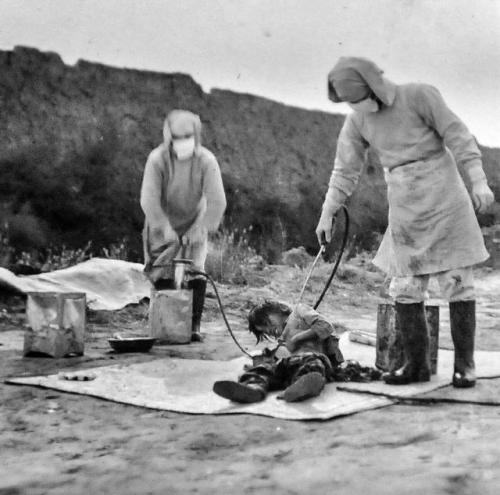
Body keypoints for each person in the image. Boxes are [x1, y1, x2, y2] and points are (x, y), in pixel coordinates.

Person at [316, 57, 494, 387]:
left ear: (373, 85)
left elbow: (458, 135)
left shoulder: (419, 96)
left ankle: (464, 365)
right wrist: (328, 212)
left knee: (457, 283)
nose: (357, 106)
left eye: (359, 97)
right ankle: (416, 365)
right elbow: (344, 170)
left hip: (444, 198)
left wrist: (478, 179)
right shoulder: (358, 122)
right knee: (406, 288)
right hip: (404, 205)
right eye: (351, 102)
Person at [140, 109, 226, 341]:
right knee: (162, 271)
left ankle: (192, 326)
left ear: (196, 135)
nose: (182, 142)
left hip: (194, 220)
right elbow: (148, 199)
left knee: (195, 270)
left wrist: (202, 227)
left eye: (187, 136)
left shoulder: (206, 161)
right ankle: (164, 324)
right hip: (161, 221)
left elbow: (217, 201)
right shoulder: (157, 159)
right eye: (177, 138)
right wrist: (164, 227)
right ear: (169, 137)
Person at [213, 300, 344, 403]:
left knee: (312, 364)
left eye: (267, 322)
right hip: (292, 365)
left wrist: (298, 338)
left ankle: (304, 386)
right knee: (263, 370)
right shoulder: (281, 339)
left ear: (279, 310)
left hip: (315, 358)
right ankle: (253, 389)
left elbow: (326, 326)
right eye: (264, 330)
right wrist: (263, 362)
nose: (268, 330)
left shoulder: (299, 311)